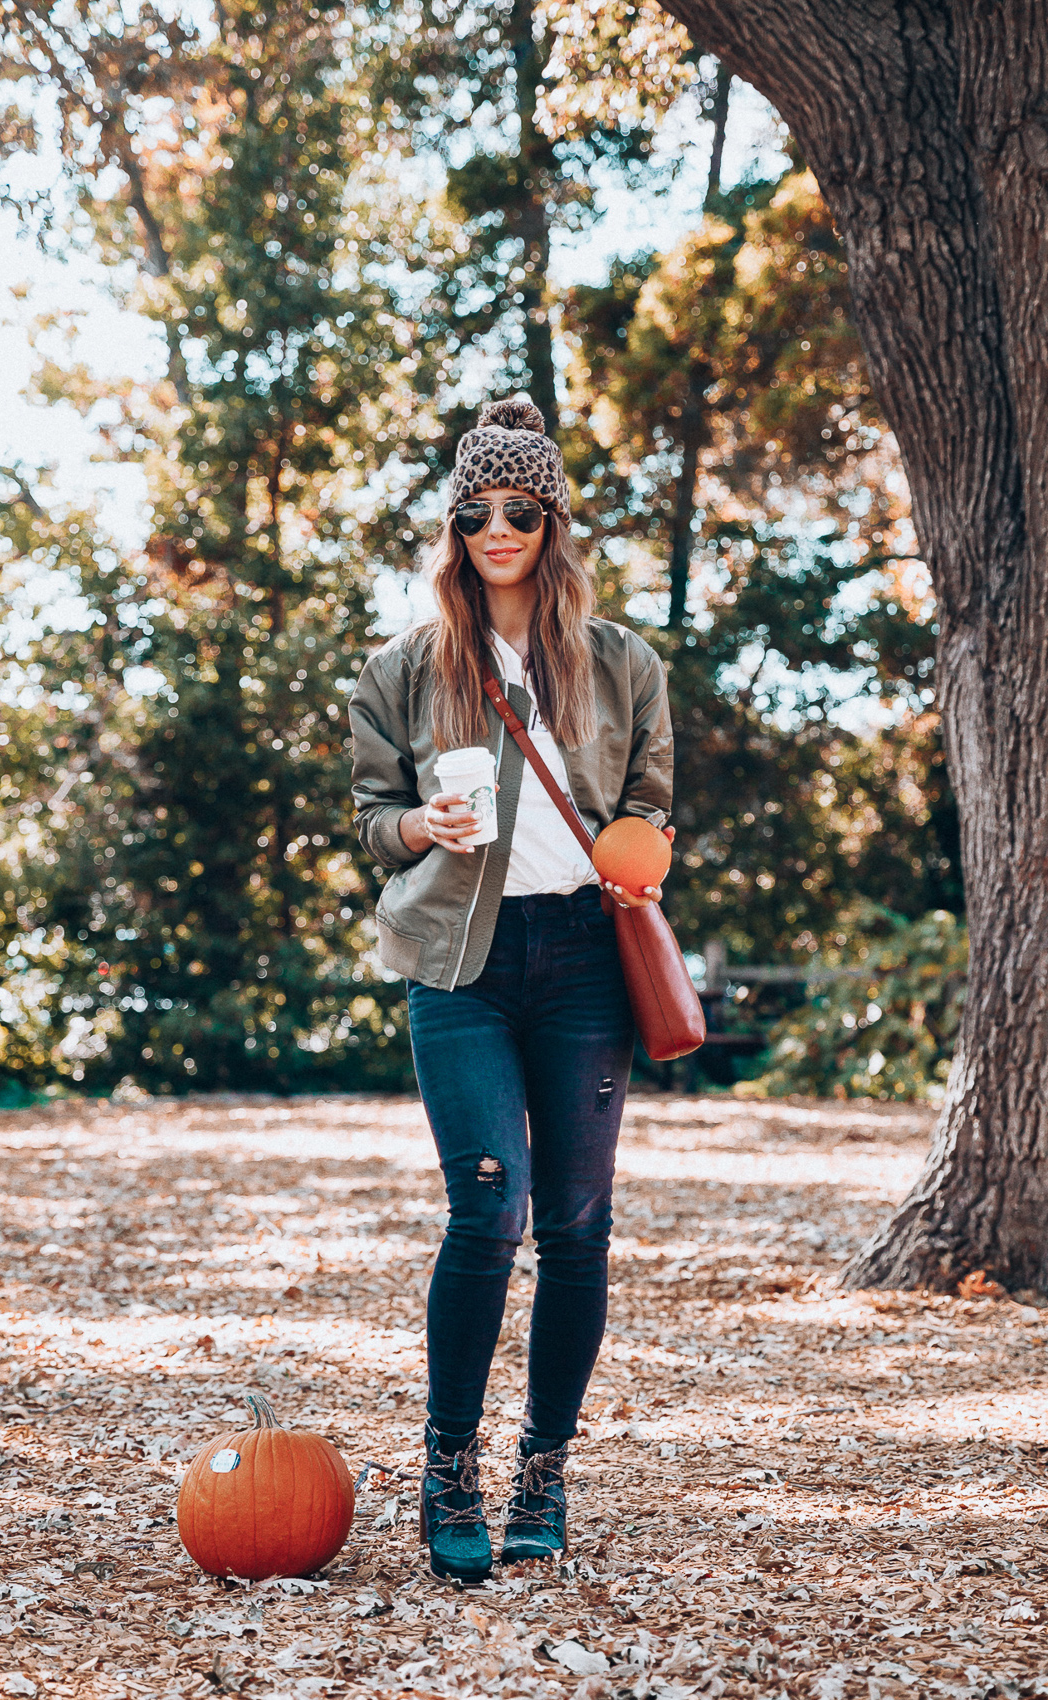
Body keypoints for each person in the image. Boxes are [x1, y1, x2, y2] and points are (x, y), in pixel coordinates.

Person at [349, 397, 674, 1581]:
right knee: (487, 1208)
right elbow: (370, 819)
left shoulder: (624, 662)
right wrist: (412, 826)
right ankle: (448, 1468)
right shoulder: (402, 668)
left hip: (586, 963)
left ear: (551, 521)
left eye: (519, 508)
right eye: (475, 510)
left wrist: (641, 842)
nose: (497, 527)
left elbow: (651, 800)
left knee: (576, 1224)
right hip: (460, 967)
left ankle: (544, 1468)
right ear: (453, 524)